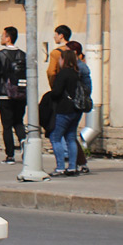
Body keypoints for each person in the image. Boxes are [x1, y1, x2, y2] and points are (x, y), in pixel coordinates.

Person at [0, 26, 27, 164]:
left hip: (4, 94)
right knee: (18, 121)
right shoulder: (23, 55)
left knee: (6, 125)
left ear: (8, 38)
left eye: (3, 36)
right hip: (20, 94)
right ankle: (24, 141)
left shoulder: (0, 55)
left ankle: (10, 155)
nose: (1, 38)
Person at [48, 48, 83, 176]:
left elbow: (56, 93)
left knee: (55, 137)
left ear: (64, 60)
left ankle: (60, 167)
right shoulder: (77, 73)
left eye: (60, 59)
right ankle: (72, 167)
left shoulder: (63, 74)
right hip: (76, 110)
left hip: (64, 110)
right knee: (71, 138)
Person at [67, 40, 93, 174]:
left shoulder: (79, 67)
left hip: (74, 104)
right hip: (76, 103)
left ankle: (76, 162)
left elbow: (86, 88)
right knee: (70, 134)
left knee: (67, 134)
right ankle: (78, 162)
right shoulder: (79, 66)